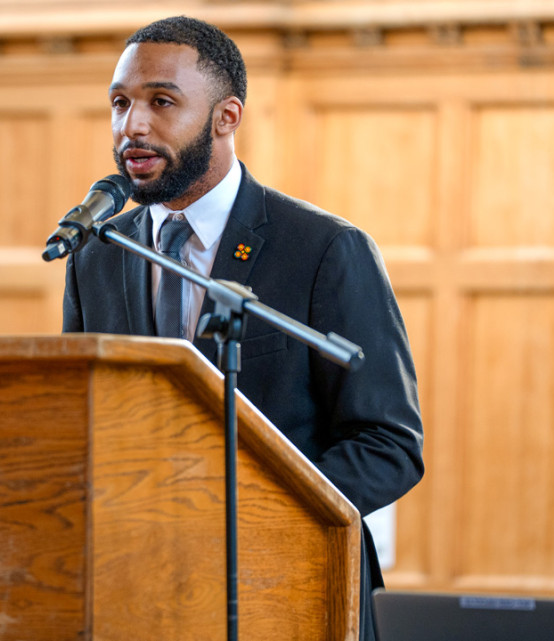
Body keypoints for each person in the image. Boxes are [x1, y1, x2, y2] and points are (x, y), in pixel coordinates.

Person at [60, 16, 424, 641]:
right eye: (120, 103)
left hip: (292, 589)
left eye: (161, 102)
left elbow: (388, 444)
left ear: (227, 117)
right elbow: (79, 426)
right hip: (143, 591)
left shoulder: (324, 248)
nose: (132, 127)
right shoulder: (97, 253)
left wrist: (250, 517)